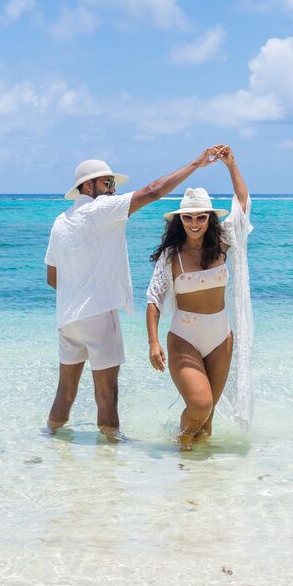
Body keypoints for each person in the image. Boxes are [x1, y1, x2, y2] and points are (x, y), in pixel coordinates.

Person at [45, 148, 223, 440]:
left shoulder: (60, 221)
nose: (114, 190)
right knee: (107, 393)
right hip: (99, 315)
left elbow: (53, 278)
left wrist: (80, 290)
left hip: (67, 318)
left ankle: (49, 439)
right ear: (87, 187)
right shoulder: (100, 209)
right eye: (108, 183)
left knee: (65, 392)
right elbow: (153, 191)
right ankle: (112, 452)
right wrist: (195, 164)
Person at [145, 146, 254, 448]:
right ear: (180, 220)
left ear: (209, 218)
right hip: (185, 337)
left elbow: (242, 207)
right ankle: (181, 446)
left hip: (221, 337)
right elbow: (154, 300)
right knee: (200, 405)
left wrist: (231, 165)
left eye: (201, 218)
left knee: (207, 421)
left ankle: (199, 482)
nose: (195, 223)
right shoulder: (171, 256)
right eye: (189, 218)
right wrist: (153, 343)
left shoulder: (222, 242)